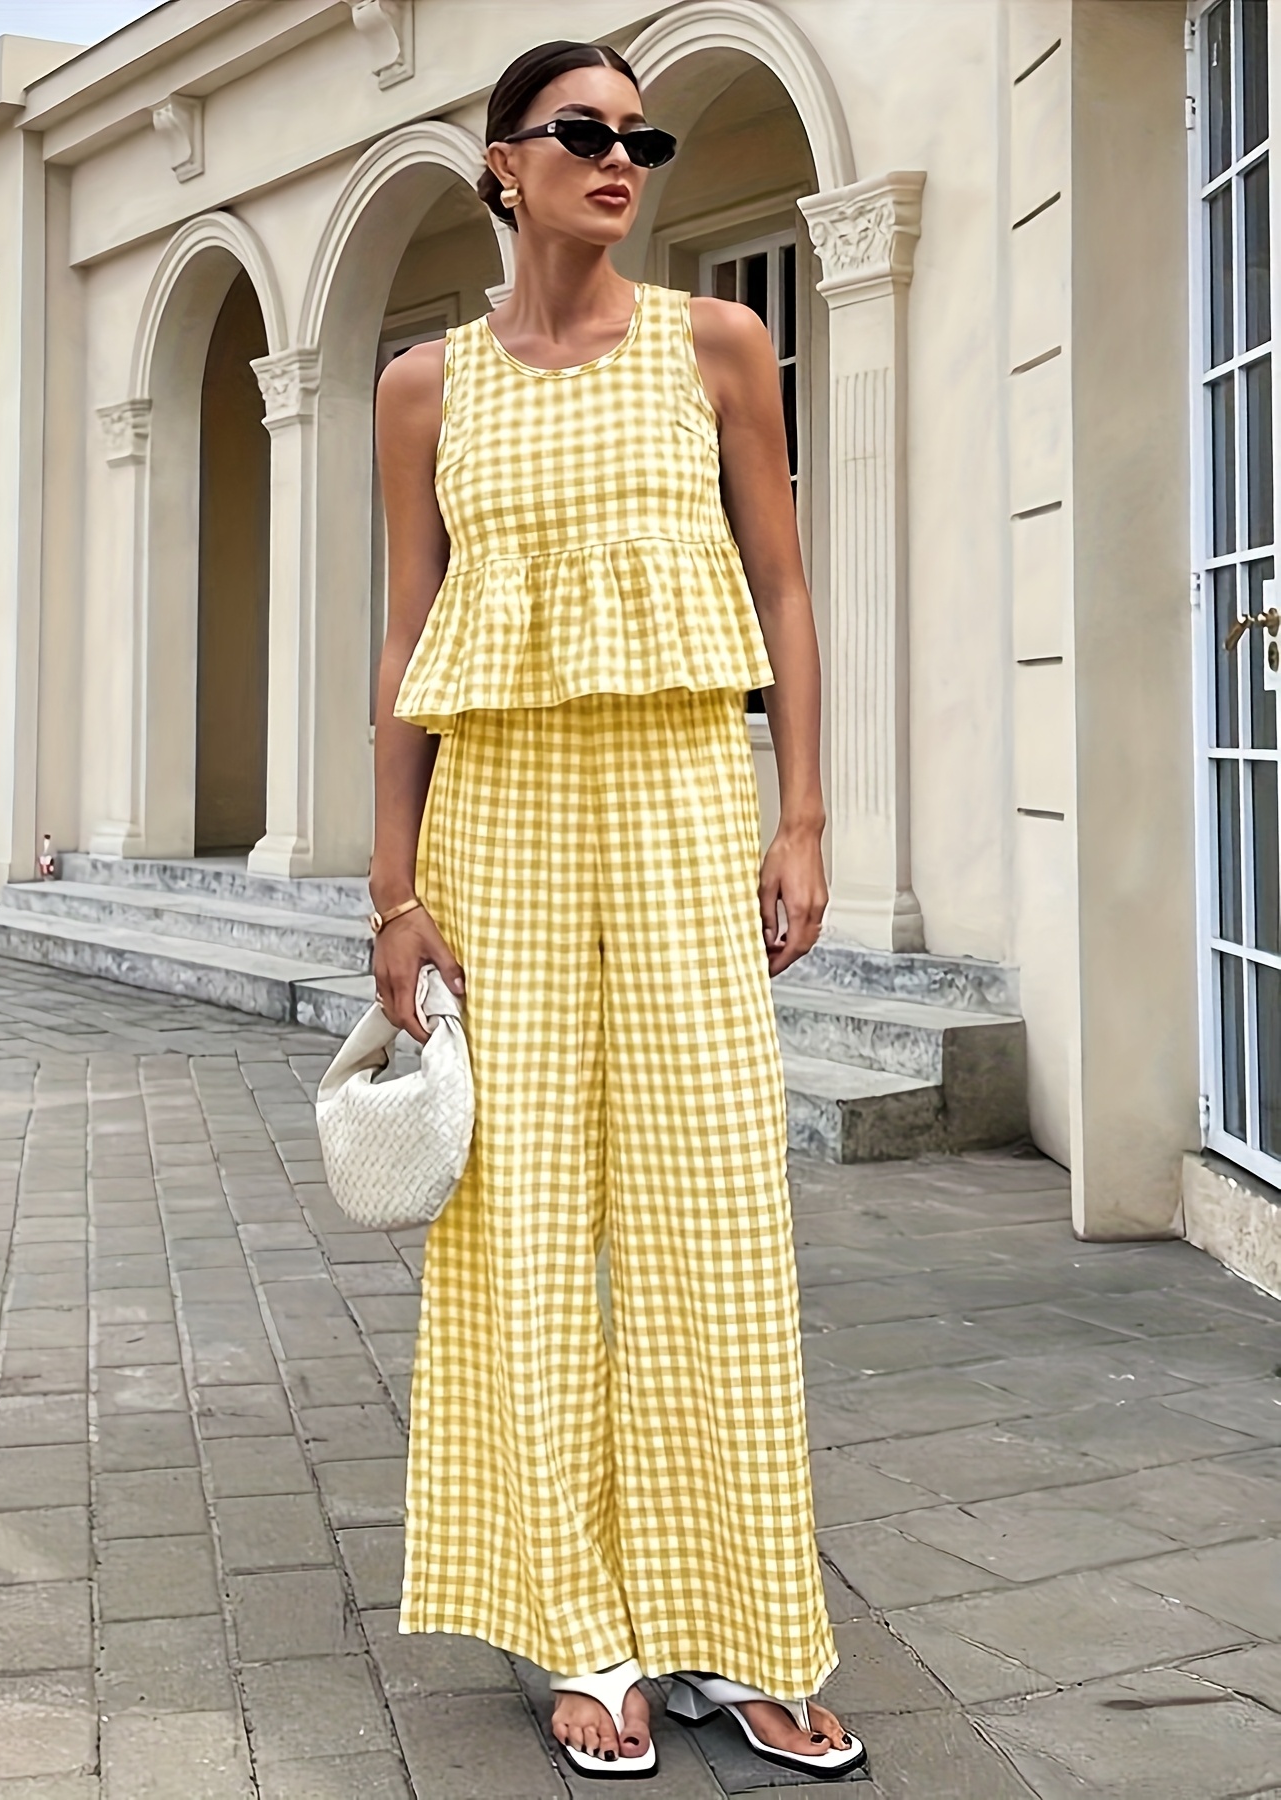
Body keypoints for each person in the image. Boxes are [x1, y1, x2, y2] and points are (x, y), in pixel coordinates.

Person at [368, 38, 865, 1783]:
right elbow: (409, 641)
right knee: (516, 1227)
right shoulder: (424, 387)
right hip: (497, 825)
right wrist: (391, 886)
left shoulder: (714, 344)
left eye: (640, 136)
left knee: (711, 1213)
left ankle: (739, 1626)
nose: (620, 155)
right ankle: (578, 1625)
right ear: (498, 163)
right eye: (581, 131)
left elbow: (785, 587)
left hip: (673, 806)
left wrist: (800, 815)